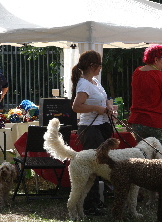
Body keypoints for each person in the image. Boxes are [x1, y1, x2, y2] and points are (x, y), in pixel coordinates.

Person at [71, 50, 113, 216]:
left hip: (101, 126)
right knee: (93, 166)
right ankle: (88, 205)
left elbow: (104, 98)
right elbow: (76, 106)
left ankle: (96, 201)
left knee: (100, 165)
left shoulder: (94, 81)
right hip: (90, 128)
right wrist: (97, 108)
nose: (101, 67)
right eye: (99, 64)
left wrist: (108, 106)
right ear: (91, 65)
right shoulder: (84, 84)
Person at [128, 44, 162, 155]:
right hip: (158, 123)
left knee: (142, 155)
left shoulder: (137, 72)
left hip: (138, 121)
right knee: (159, 158)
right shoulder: (161, 77)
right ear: (156, 59)